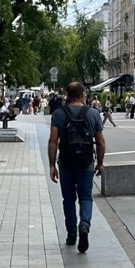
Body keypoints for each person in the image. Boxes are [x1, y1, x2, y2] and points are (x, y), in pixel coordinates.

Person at [48, 82, 105, 253]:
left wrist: (52, 164)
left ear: (68, 95)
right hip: (86, 162)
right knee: (86, 198)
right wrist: (100, 163)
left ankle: (72, 234)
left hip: (65, 162)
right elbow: (101, 142)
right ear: (81, 95)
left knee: (68, 199)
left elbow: (52, 141)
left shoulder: (58, 114)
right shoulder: (93, 114)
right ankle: (84, 226)